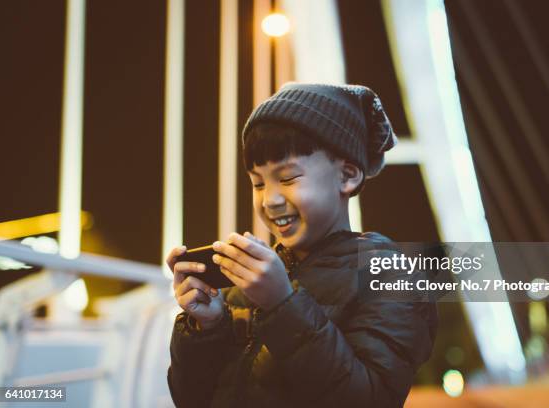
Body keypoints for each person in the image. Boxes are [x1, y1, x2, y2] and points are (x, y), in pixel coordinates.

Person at [166, 83, 437, 408]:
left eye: (289, 178)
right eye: (258, 182)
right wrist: (207, 326)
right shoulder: (246, 283)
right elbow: (190, 399)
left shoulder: (391, 276)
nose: (270, 200)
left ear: (347, 175)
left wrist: (282, 304)